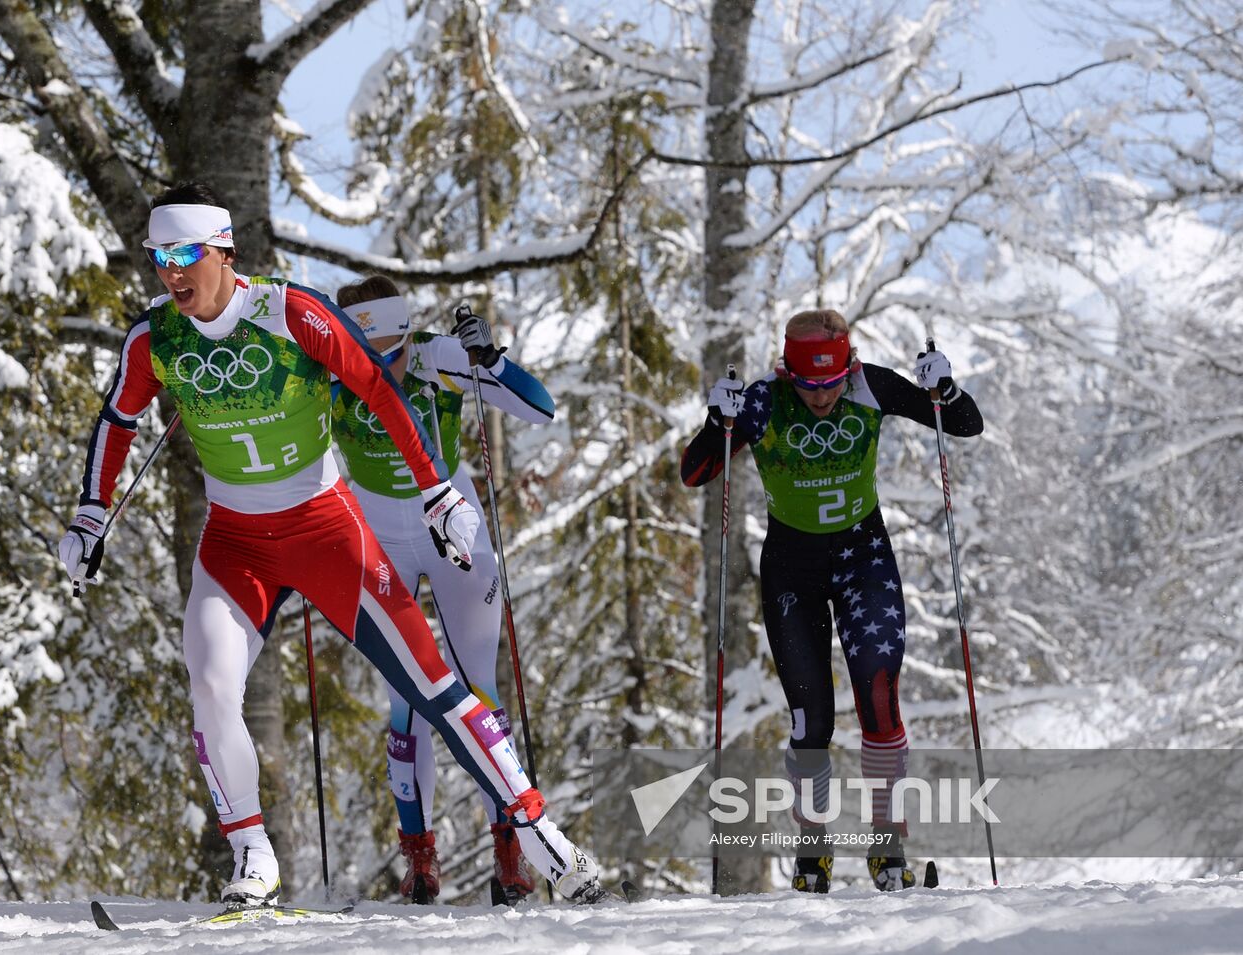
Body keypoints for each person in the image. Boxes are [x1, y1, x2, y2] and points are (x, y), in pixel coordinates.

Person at [57, 181, 607, 907]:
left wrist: (439, 491)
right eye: (160, 256)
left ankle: (543, 837)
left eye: (187, 253)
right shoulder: (155, 337)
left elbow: (379, 389)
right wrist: (92, 511)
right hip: (235, 542)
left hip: (325, 528)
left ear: (225, 248)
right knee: (212, 683)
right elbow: (116, 418)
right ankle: (251, 853)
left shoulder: (292, 313)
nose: (172, 272)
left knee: (436, 685)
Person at [680, 309, 983, 893]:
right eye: (808, 385)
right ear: (787, 373)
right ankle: (812, 851)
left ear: (849, 368)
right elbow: (695, 472)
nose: (822, 397)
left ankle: (887, 843)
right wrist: (718, 421)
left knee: (879, 693)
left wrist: (944, 390)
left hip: (862, 556)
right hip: (793, 569)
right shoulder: (765, 401)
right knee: (810, 717)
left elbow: (964, 424)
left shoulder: (872, 384)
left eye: (832, 383)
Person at [329, 276, 553, 905]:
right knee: (405, 695)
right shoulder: (329, 362)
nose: (387, 368)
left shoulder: (435, 356)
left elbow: (541, 407)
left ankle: (510, 852)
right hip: (380, 533)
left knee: (477, 688)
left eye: (395, 350)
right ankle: (420, 857)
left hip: (454, 525)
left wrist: (492, 361)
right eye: (371, 355)